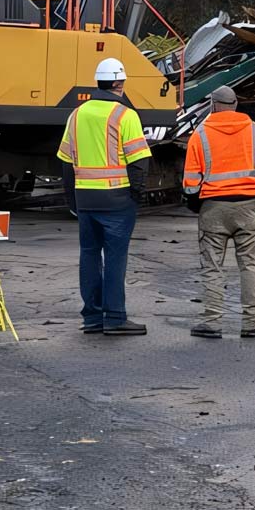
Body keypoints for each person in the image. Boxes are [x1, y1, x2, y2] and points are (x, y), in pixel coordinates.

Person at [57, 57, 151, 336]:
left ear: (98, 83)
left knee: (89, 256)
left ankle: (92, 317)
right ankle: (115, 317)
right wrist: (136, 196)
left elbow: (66, 163)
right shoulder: (125, 115)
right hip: (117, 199)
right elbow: (139, 162)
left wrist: (72, 200)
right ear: (119, 84)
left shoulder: (76, 115)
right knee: (115, 258)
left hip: (85, 199)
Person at [182, 85, 255, 339]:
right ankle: (253, 322)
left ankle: (212, 321)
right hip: (248, 207)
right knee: (250, 265)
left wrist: (199, 207)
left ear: (213, 105)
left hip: (213, 208)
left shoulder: (200, 134)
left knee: (213, 267)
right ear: (236, 104)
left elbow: (190, 185)